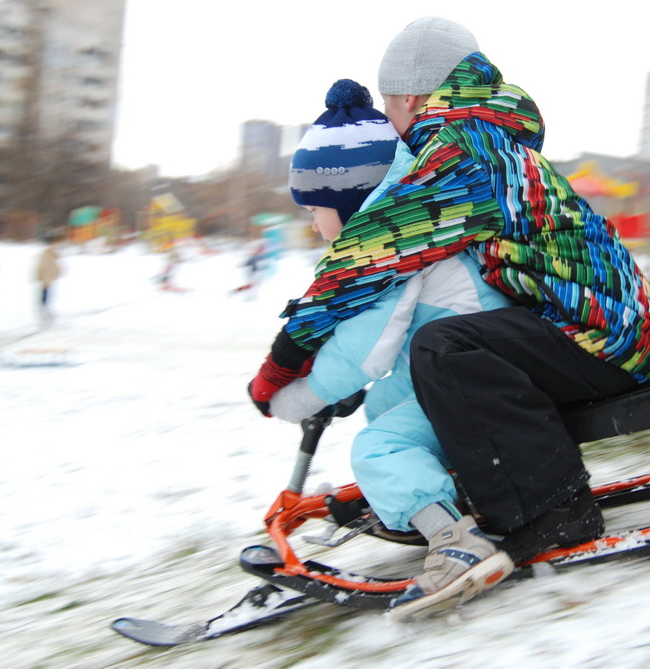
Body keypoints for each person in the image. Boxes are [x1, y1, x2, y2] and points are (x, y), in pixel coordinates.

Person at [249, 18, 650, 613]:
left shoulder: (462, 151)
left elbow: (366, 262)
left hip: (601, 337)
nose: (389, 123)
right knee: (433, 366)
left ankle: (551, 510)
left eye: (389, 104)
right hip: (600, 327)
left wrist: (284, 363)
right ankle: (453, 490)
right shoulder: (482, 138)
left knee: (446, 347)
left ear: (411, 97)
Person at [263, 77, 516, 621]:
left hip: (478, 377)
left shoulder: (391, 253)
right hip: (477, 369)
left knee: (376, 449)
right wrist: (351, 392)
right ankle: (439, 499)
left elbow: (366, 349)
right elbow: (391, 351)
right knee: (383, 410)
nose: (312, 222)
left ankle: (456, 542)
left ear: (348, 199)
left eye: (314, 208)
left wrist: (297, 397)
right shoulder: (411, 233)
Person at [35, 237, 61, 326]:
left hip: (45, 281)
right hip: (48, 281)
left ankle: (46, 313)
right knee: (46, 298)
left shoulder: (44, 256)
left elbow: (40, 267)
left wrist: (38, 277)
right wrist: (54, 277)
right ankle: (47, 313)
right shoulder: (52, 257)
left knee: (43, 299)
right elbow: (57, 269)